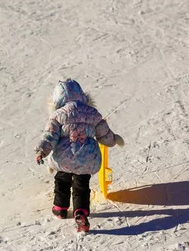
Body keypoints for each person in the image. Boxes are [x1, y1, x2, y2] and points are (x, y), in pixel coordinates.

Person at [34, 79, 124, 232]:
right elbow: (104, 133)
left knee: (62, 180)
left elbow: (50, 136)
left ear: (58, 99)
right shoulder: (93, 113)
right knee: (81, 185)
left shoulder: (57, 116)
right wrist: (113, 140)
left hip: (64, 158)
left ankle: (60, 207)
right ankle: (80, 212)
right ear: (82, 96)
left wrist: (42, 151)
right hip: (87, 158)